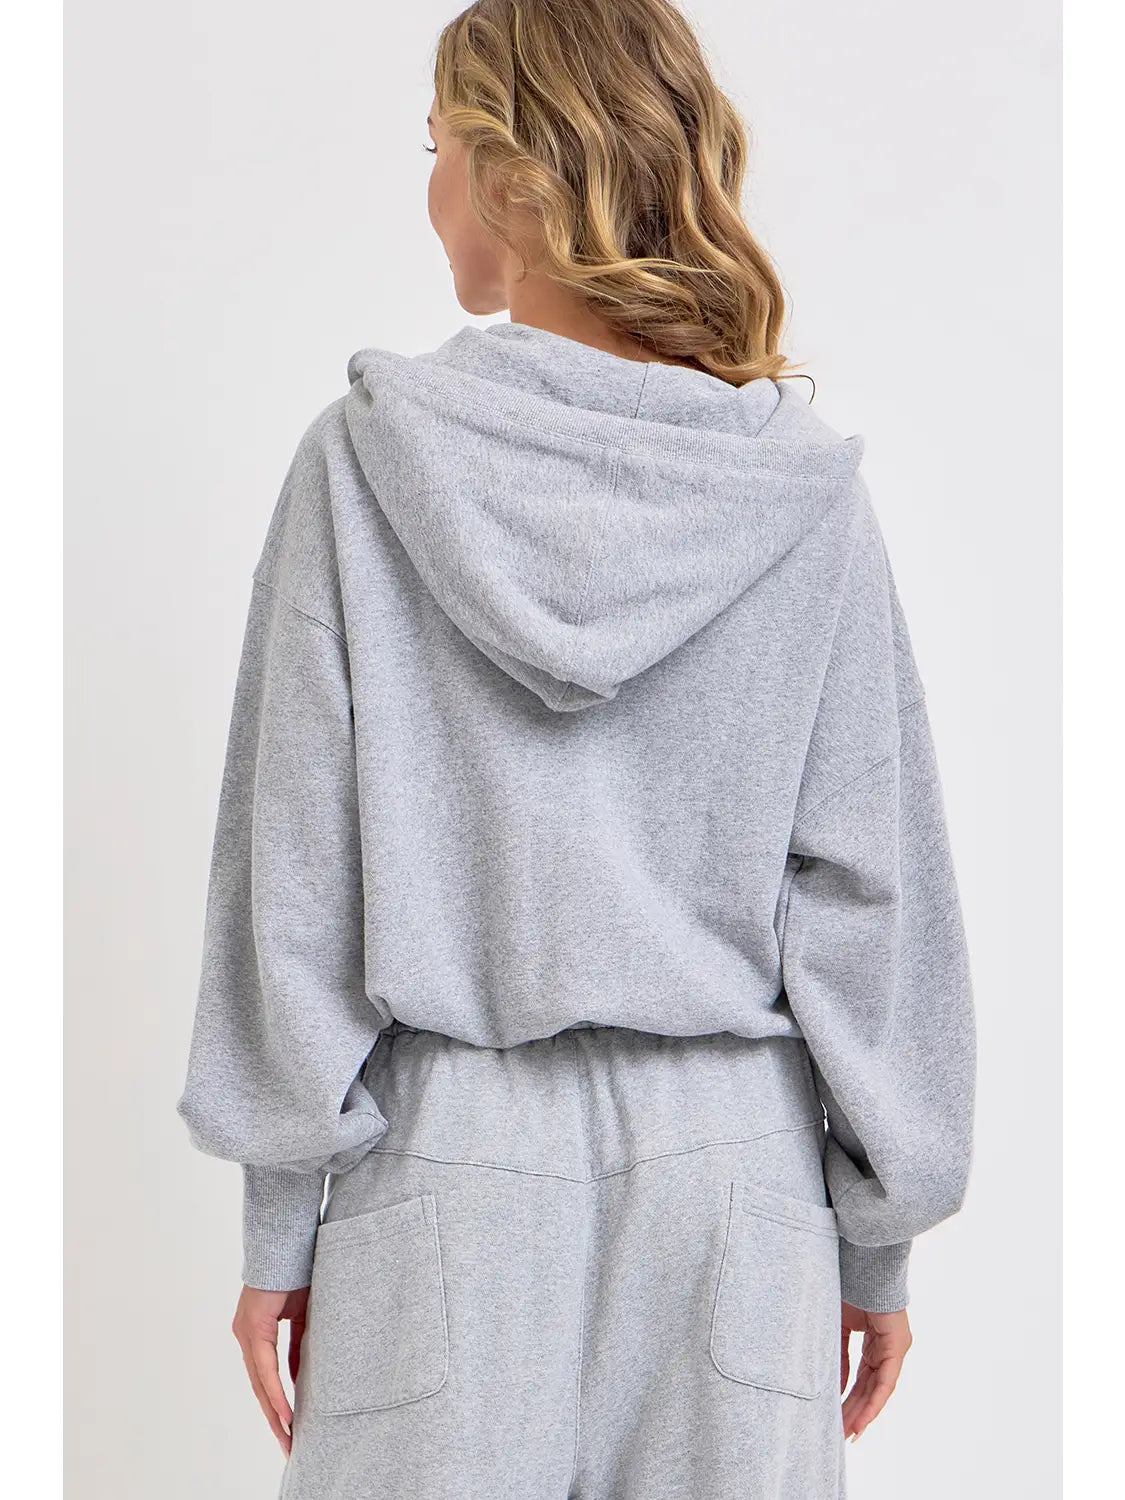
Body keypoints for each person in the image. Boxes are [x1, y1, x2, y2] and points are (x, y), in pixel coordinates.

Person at [175, 2, 977, 1495]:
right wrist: (878, 1237)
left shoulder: (361, 466)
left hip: (442, 1171)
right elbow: (871, 896)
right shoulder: (800, 497)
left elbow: (295, 877)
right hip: (739, 1190)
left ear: (513, 175)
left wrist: (281, 1218)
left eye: (437, 147)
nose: (427, 191)